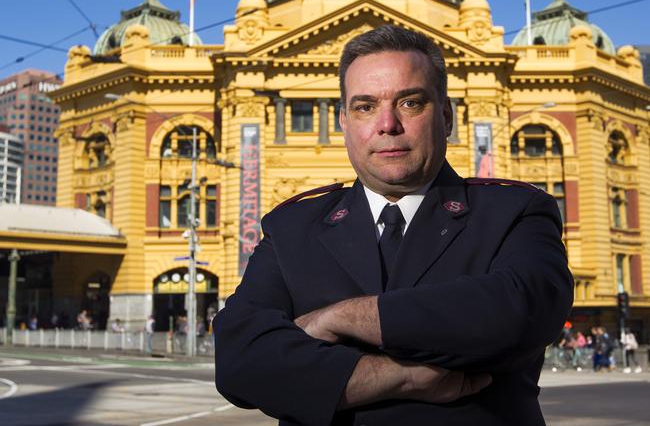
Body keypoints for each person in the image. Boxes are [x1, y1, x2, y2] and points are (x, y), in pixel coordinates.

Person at [213, 25, 573, 425]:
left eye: (410, 103)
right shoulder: (292, 227)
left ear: (447, 116)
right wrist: (401, 378)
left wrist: (343, 317)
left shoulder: (514, 211)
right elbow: (239, 360)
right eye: (365, 107)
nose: (387, 124)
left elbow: (518, 311)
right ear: (344, 122)